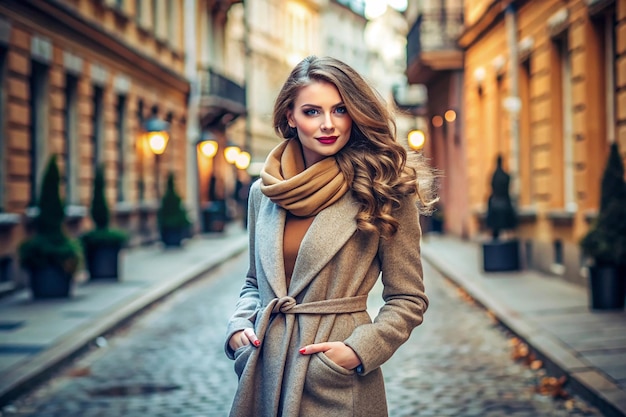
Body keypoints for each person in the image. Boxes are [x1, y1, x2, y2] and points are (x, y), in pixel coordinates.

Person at [224, 55, 437, 417]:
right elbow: (253, 282)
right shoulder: (264, 193)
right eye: (312, 112)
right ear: (290, 116)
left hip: (335, 381)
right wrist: (239, 327)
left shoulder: (383, 188)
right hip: (266, 370)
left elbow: (408, 299)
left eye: (340, 110)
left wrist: (357, 352)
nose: (328, 124)